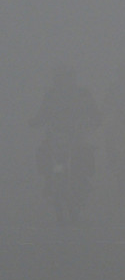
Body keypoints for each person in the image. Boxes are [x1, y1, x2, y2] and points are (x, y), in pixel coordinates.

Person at [30, 63, 102, 203]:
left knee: (84, 151)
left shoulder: (82, 93)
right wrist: (35, 121)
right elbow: (42, 112)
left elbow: (93, 111)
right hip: (55, 134)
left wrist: (95, 120)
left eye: (66, 77)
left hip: (76, 134)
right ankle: (49, 179)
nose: (63, 81)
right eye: (60, 78)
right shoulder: (51, 94)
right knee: (44, 151)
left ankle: (83, 179)